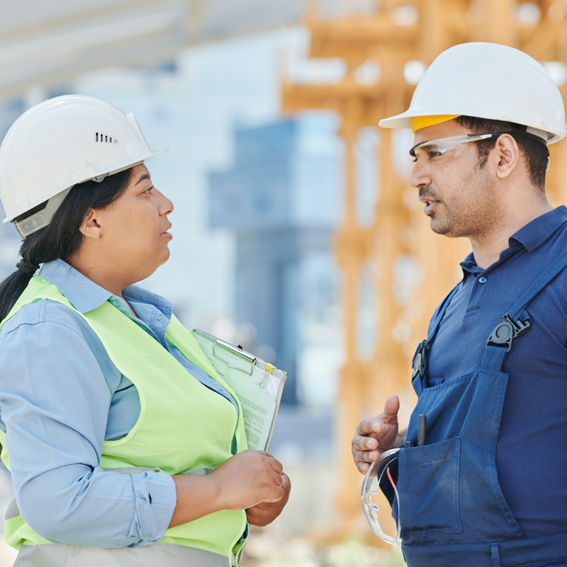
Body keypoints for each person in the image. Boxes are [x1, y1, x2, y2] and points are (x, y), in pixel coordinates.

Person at [0, 95, 291, 567]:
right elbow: (59, 502)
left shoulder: (147, 324)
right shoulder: (48, 330)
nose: (166, 204)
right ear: (91, 219)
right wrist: (217, 490)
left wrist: (251, 492)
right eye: (145, 189)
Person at [352, 42, 567, 566]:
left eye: (435, 152)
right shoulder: (455, 305)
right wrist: (407, 451)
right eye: (414, 155)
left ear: (503, 156)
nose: (415, 176)